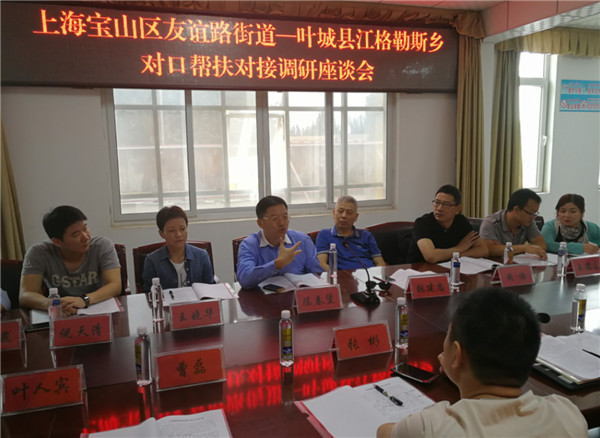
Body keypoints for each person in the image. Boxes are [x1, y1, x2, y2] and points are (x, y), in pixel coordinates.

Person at [377, 287, 588, 438]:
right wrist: (461, 374)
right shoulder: (568, 415)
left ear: (457, 354)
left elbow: (383, 432)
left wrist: (458, 374)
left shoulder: (430, 426)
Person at [20, 206, 121, 316]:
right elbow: (25, 295)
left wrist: (84, 299)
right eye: (76, 234)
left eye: (85, 229)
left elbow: (115, 285)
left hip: (97, 308)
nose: (86, 237)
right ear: (57, 241)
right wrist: (54, 304)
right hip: (62, 313)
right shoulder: (39, 253)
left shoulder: (102, 246)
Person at [237, 196, 323, 289]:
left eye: (285, 217)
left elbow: (317, 275)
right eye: (275, 218)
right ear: (260, 223)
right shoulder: (249, 245)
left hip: (297, 295)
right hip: (263, 297)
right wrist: (276, 264)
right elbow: (244, 279)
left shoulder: (302, 240)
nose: (282, 223)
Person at [406, 185, 488, 263]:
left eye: (446, 205)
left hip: (448, 268)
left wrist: (457, 255)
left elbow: (483, 250)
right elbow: (431, 257)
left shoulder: (461, 221)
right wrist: (459, 248)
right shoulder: (423, 223)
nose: (439, 208)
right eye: (437, 202)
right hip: (420, 270)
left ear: (458, 208)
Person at [142, 206, 215, 292]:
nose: (179, 234)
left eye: (182, 229)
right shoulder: (152, 261)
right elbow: (148, 293)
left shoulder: (202, 256)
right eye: (172, 231)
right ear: (161, 234)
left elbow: (210, 289)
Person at [315, 196, 385, 271]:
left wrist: (375, 275)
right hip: (341, 276)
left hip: (368, 274)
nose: (344, 216)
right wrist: (337, 276)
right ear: (334, 214)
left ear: (356, 217)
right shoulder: (325, 235)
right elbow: (321, 264)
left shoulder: (366, 235)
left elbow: (380, 262)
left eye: (349, 212)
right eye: (340, 211)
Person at [479, 188, 547, 259]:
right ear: (516, 209)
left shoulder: (528, 222)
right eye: (531, 213)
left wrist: (503, 248)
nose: (533, 218)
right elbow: (490, 249)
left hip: (517, 263)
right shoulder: (491, 222)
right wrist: (524, 248)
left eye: (535, 214)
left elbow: (541, 245)